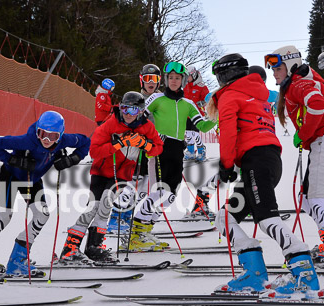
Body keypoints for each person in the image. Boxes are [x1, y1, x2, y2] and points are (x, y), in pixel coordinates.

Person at [208, 53, 319, 297]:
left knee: (267, 219)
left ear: (225, 75)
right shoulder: (256, 93)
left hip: (255, 161)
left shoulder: (230, 94)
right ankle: (255, 274)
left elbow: (228, 133)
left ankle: (305, 275)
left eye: (218, 75)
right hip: (268, 160)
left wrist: (226, 165)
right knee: (225, 218)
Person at [0, 111, 90, 279]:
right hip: (10, 176)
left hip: (31, 180)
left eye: (52, 136)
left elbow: (85, 142)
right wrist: (13, 160)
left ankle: (18, 261)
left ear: (60, 135)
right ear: (37, 131)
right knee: (4, 217)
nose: (46, 140)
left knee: (43, 214)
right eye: (42, 134)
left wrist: (73, 159)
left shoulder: (65, 141)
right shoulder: (27, 141)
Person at [265, 45, 324, 266]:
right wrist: (305, 137)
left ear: (291, 65)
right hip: (321, 142)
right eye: (272, 69)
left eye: (278, 68)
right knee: (305, 199)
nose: (274, 73)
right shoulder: (297, 83)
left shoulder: (300, 83)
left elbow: (317, 104)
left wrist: (303, 134)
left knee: (315, 198)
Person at [60, 91, 163, 263]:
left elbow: (158, 148)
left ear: (141, 111)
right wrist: (117, 144)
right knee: (93, 207)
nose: (127, 114)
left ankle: (93, 248)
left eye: (133, 110)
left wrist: (144, 144)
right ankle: (69, 249)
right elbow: (94, 151)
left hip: (123, 174)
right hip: (101, 171)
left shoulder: (146, 127)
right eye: (124, 108)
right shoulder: (111, 123)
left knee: (105, 207)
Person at [128, 61, 216, 251]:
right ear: (166, 80)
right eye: (171, 78)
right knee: (159, 191)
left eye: (177, 78)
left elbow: (201, 126)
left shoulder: (188, 104)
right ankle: (136, 233)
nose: (174, 81)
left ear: (183, 80)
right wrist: (149, 136)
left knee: (170, 195)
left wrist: (216, 116)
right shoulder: (157, 98)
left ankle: (145, 230)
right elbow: (139, 117)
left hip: (177, 150)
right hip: (159, 148)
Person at [107, 64, 162, 234]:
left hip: (154, 148)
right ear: (141, 80)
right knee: (134, 182)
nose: (150, 83)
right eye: (147, 79)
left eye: (154, 79)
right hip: (137, 147)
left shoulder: (162, 99)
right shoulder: (136, 99)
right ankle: (116, 217)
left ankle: (127, 215)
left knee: (146, 186)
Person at [183, 66, 210, 162]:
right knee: (188, 133)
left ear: (193, 74)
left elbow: (208, 98)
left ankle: (201, 151)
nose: (187, 78)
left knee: (195, 133)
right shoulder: (185, 86)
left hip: (197, 113)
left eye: (188, 76)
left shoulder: (201, 86)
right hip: (187, 114)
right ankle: (191, 152)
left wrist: (203, 102)